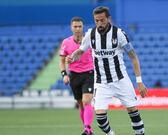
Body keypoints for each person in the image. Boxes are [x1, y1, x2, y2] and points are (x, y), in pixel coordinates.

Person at [67, 6, 147, 135]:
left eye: (102, 20)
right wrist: (72, 57)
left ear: (108, 19)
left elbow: (133, 57)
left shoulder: (119, 34)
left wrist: (139, 81)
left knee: (132, 110)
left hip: (120, 80)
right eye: (96, 21)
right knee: (100, 118)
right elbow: (81, 50)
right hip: (101, 82)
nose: (99, 23)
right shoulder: (90, 34)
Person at [59, 16, 94, 135]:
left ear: (83, 27)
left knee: (86, 100)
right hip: (74, 75)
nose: (77, 29)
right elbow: (62, 61)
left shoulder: (89, 41)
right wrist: (64, 74)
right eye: (75, 26)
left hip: (89, 73)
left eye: (79, 26)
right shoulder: (66, 42)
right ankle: (88, 129)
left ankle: (87, 128)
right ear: (71, 27)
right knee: (80, 104)